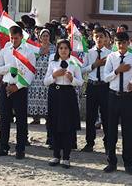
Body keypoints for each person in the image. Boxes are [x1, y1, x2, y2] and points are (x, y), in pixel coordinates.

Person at [102, 30, 132, 175]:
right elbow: (105, 77)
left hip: (127, 97)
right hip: (113, 96)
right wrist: (117, 70)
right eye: (118, 43)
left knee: (128, 131)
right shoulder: (111, 57)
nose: (121, 45)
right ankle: (111, 162)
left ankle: (128, 163)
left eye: (124, 43)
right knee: (111, 131)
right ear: (115, 43)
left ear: (128, 43)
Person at [0, 24, 36, 159]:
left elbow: (30, 74)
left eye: (16, 38)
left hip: (20, 88)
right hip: (6, 86)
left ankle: (20, 148)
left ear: (21, 37)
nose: (13, 41)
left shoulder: (28, 52)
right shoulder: (5, 50)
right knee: (4, 118)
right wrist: (10, 66)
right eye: (11, 38)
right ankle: (3, 146)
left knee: (21, 119)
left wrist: (17, 86)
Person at [45, 38, 82, 168]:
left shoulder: (74, 63)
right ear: (57, 50)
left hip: (68, 95)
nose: (63, 50)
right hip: (55, 94)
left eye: (66, 48)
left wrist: (72, 79)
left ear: (69, 50)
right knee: (55, 124)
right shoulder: (53, 63)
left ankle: (66, 157)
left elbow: (80, 82)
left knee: (67, 126)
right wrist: (54, 75)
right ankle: (56, 155)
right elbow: (45, 81)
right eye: (61, 48)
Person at [81, 26, 111, 152]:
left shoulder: (110, 54)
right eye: (96, 36)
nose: (99, 39)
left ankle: (108, 143)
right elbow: (82, 69)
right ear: (92, 38)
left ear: (105, 38)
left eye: (101, 36)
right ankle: (89, 143)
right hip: (92, 86)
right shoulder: (88, 53)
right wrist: (94, 65)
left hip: (105, 86)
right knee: (90, 116)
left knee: (106, 116)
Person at [28, 28, 52, 143]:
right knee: (35, 99)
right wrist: (39, 53)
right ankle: (36, 118)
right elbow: (30, 60)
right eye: (43, 36)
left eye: (47, 35)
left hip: (47, 78)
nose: (45, 38)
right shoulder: (35, 48)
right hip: (36, 78)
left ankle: (47, 121)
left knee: (47, 102)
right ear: (40, 37)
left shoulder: (54, 48)